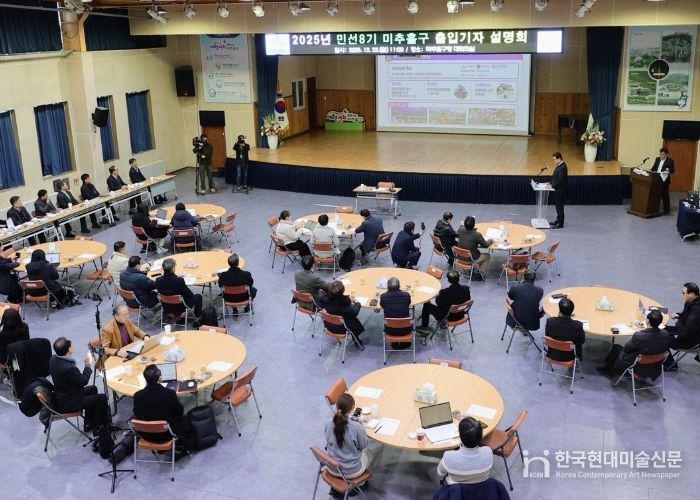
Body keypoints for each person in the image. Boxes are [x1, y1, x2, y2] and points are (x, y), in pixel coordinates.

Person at [49, 337, 109, 434]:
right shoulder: (69, 368)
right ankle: (101, 429)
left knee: (93, 389)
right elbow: (84, 380)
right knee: (102, 398)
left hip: (63, 396)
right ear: (69, 349)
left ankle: (89, 423)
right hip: (70, 403)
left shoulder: (53, 359)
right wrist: (87, 365)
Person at [133, 364, 190, 456]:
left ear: (145, 379)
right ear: (160, 379)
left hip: (146, 435)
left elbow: (137, 414)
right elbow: (179, 413)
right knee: (187, 418)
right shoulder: (170, 394)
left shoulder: (137, 396)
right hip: (167, 434)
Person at [597, 310, 669, 379]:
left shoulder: (640, 336)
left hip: (638, 365)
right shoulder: (665, 333)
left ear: (647, 321)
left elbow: (626, 349)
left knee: (616, 348)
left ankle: (609, 370)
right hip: (655, 364)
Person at [324, 393, 371, 496]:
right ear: (351, 409)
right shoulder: (356, 427)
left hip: (332, 467)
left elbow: (328, 441)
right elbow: (363, 445)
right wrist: (362, 428)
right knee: (368, 453)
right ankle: (360, 483)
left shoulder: (328, 423)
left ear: (337, 407)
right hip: (350, 471)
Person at [430, 416, 493, 485]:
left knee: (431, 470)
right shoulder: (488, 452)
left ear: (460, 436)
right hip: (481, 488)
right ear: (481, 436)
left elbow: (440, 473)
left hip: (456, 490)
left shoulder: (448, 457)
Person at [664, 282, 700, 369]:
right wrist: (679, 315)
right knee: (660, 330)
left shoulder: (697, 309)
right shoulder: (690, 301)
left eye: (683, 293)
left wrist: (678, 337)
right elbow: (689, 318)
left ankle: (671, 365)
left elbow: (690, 330)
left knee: (660, 338)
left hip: (689, 340)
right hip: (681, 330)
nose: (682, 295)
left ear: (692, 294)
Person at [156, 258, 203, 323]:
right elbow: (189, 294)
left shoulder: (158, 280)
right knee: (198, 296)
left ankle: (174, 315)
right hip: (180, 306)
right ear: (173, 269)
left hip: (167, 306)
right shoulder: (179, 280)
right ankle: (197, 317)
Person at [318, 280, 365, 346]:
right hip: (343, 328)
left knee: (344, 316)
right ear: (343, 291)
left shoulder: (324, 299)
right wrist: (357, 303)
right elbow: (354, 313)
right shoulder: (344, 303)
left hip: (329, 325)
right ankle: (356, 339)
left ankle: (355, 338)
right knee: (353, 319)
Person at [380, 277, 412, 348]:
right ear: (399, 286)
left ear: (387, 286)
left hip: (390, 330)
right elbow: (408, 304)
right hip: (406, 329)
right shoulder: (406, 295)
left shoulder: (383, 296)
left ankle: (395, 342)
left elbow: (383, 306)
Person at [651, 147, 675, 215]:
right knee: (655, 194)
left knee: (665, 195)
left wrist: (669, 170)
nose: (661, 156)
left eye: (663, 154)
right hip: (656, 179)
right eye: (660, 154)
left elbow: (673, 170)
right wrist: (651, 170)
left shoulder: (670, 161)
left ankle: (666, 210)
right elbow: (654, 167)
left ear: (666, 154)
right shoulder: (657, 159)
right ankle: (654, 208)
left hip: (664, 180)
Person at [548, 152, 568, 229]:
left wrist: (552, 186)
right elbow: (555, 177)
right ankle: (558, 220)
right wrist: (550, 183)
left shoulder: (563, 167)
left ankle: (560, 224)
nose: (554, 161)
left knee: (560, 207)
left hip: (560, 190)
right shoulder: (559, 166)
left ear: (559, 159)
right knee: (558, 207)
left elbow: (560, 180)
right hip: (557, 190)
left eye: (554, 159)